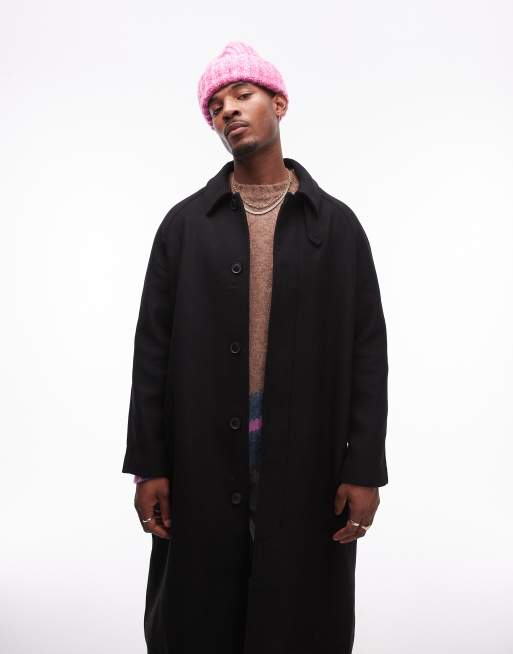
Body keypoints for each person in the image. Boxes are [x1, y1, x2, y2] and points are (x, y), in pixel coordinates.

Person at [122, 40, 389, 654]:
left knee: (299, 609)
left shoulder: (337, 226)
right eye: (216, 106)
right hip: (201, 449)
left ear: (279, 104)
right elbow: (151, 352)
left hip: (308, 449)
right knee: (198, 608)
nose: (229, 111)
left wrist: (365, 468)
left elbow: (368, 351)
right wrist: (149, 464)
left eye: (243, 95)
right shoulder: (185, 227)